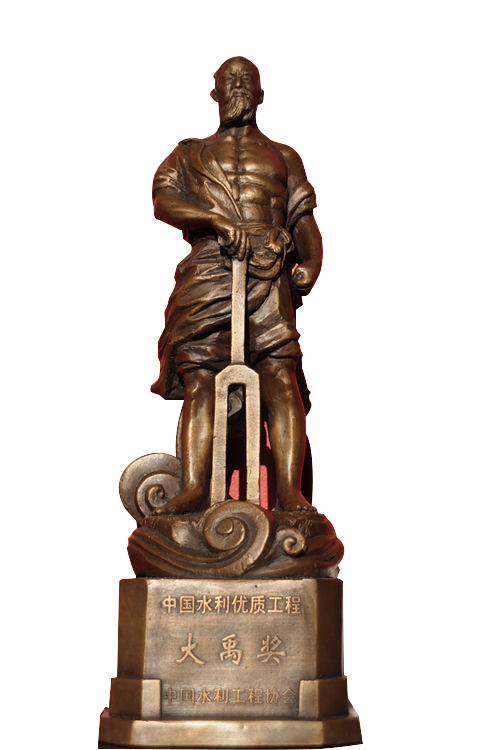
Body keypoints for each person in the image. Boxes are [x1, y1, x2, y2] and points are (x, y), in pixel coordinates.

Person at [151, 56, 322, 514]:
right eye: (230, 81)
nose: (239, 87)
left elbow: (303, 219)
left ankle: (289, 493)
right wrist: (213, 220)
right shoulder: (191, 154)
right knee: (201, 379)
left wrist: (311, 261)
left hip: (268, 270)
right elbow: (163, 200)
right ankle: (193, 487)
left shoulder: (284, 156)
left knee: (280, 375)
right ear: (216, 93)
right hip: (210, 272)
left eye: (247, 81)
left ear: (260, 94)